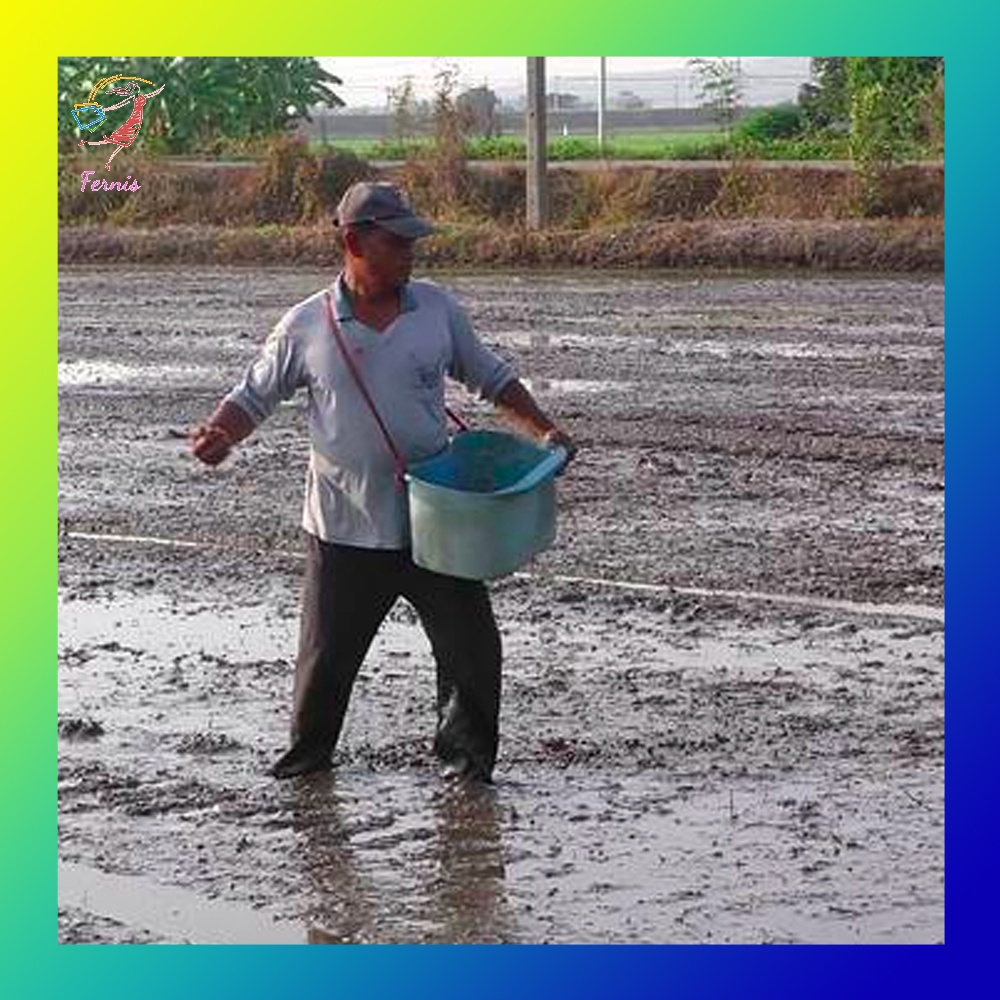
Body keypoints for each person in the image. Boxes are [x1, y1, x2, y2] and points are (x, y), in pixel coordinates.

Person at [191, 181, 575, 782]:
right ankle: (306, 769)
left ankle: (468, 771)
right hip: (345, 524)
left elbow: (492, 378)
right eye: (396, 242)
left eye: (412, 241)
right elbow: (253, 394)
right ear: (353, 242)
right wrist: (221, 434)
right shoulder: (306, 326)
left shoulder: (437, 311)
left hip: (436, 522)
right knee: (325, 664)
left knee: (471, 653)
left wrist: (545, 431)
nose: (409, 252)